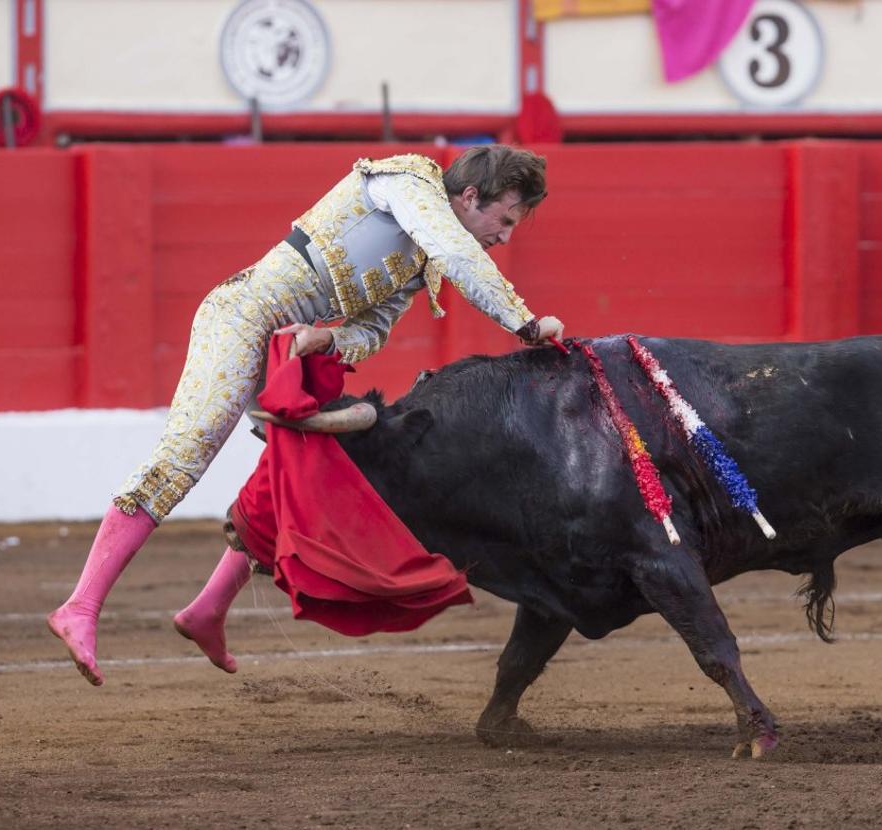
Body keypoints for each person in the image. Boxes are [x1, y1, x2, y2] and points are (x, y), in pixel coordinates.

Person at [49, 145, 565, 685]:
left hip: (286, 347)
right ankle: (80, 607)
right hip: (242, 316)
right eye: (504, 219)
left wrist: (327, 336)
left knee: (293, 477)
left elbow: (373, 331)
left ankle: (206, 610)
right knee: (183, 458)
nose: (505, 236)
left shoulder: (426, 258)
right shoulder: (405, 181)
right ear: (468, 196)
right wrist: (525, 324)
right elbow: (459, 252)